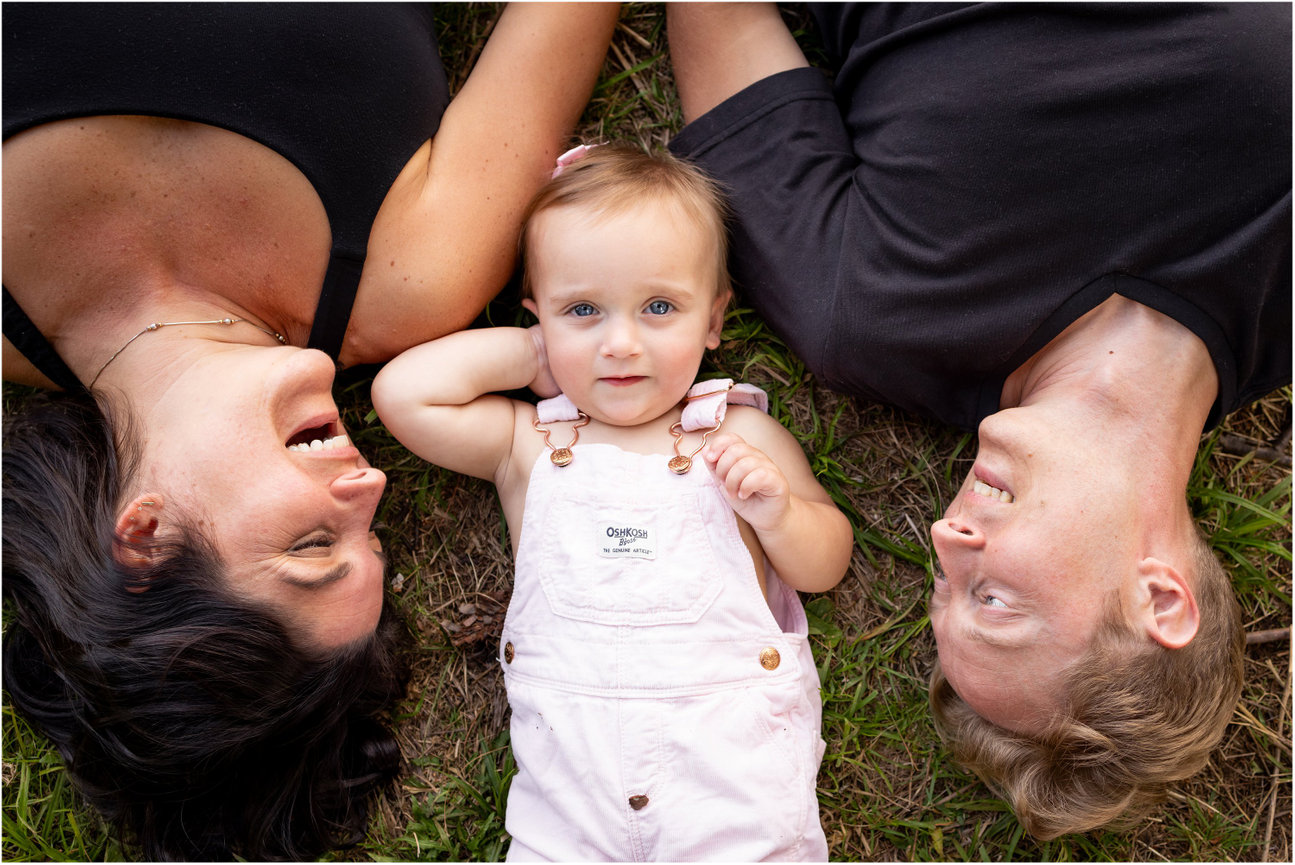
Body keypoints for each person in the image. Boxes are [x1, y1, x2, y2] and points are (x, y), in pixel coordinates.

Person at [1, 3, 619, 860]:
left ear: (145, 537)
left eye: (311, 544)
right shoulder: (418, 275)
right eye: (371, 541)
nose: (372, 489)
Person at [666, 1, 1290, 841]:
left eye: (940, 586)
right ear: (1158, 598)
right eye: (992, 598)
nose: (944, 535)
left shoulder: (871, 315)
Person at [372, 142, 853, 860]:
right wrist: (532, 355)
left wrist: (778, 512)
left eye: (659, 306)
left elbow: (824, 566)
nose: (620, 342)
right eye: (584, 309)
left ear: (714, 320)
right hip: (567, 801)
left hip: (733, 783)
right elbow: (405, 396)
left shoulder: (739, 430)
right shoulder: (526, 444)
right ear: (538, 316)